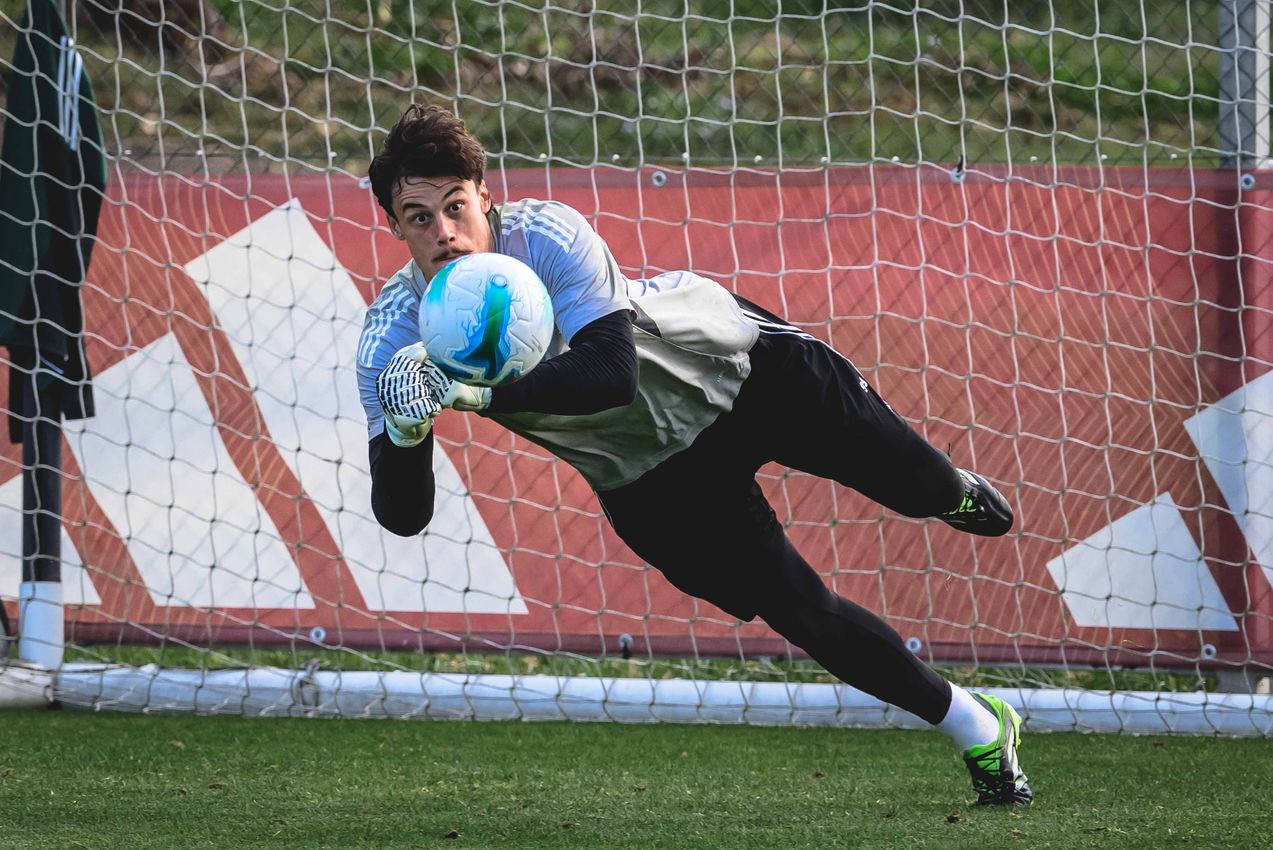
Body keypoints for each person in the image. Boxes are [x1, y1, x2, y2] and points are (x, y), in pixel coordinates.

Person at [357, 103, 1032, 807]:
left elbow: (611, 374)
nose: (444, 232)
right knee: (800, 609)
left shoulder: (547, 234)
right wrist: (407, 431)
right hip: (649, 474)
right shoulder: (391, 341)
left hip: (740, 371)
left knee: (920, 488)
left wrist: (475, 395)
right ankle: (979, 727)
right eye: (418, 217)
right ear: (395, 227)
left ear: (484, 196)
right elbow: (403, 517)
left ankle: (946, 488)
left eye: (455, 206)